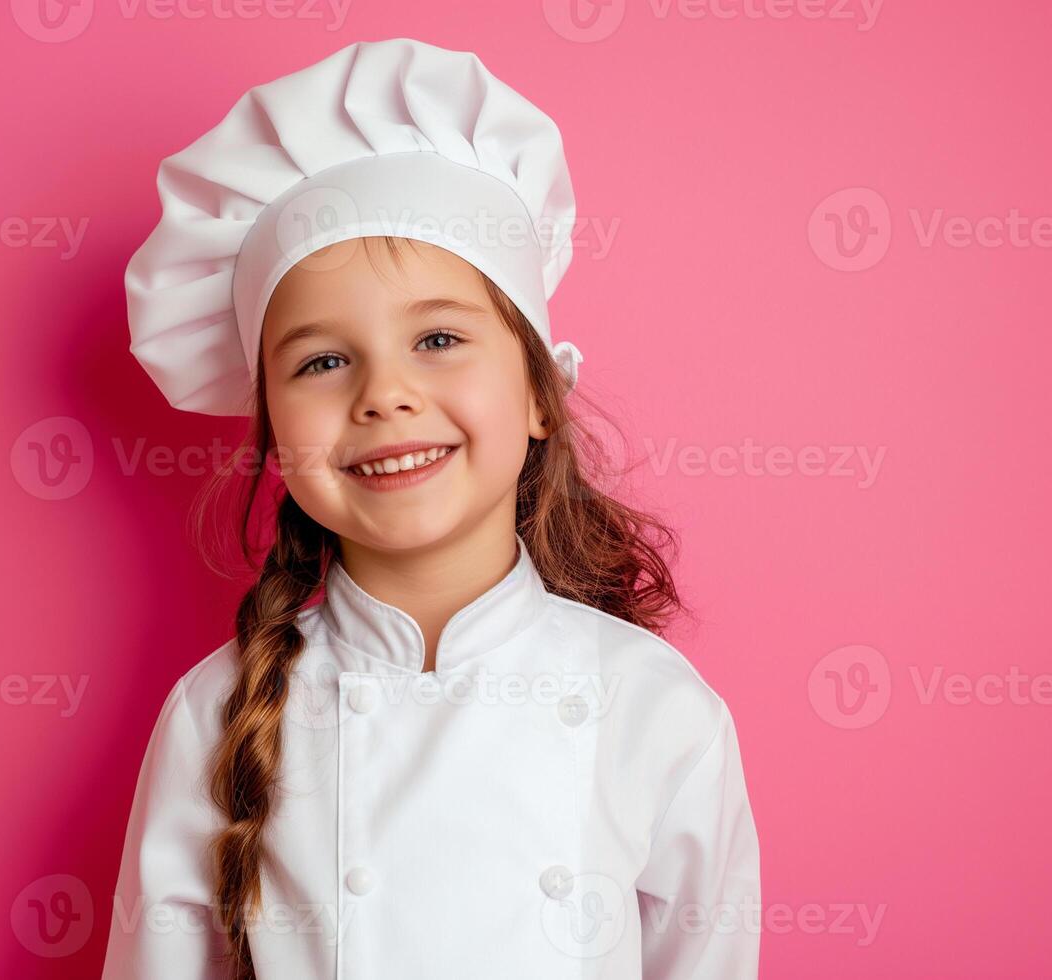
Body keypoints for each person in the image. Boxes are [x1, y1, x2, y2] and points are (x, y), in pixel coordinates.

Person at [101, 37, 760, 980]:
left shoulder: (655, 707)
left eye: (440, 338)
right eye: (323, 361)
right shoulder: (214, 714)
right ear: (273, 432)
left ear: (540, 396)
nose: (385, 395)